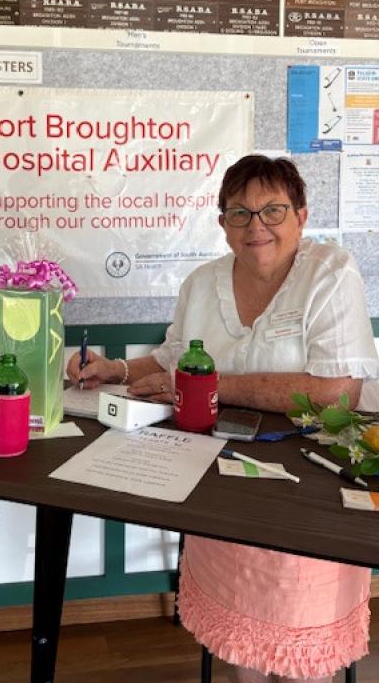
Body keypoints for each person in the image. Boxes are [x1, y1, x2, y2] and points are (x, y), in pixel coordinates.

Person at [67, 154, 379, 683]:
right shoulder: (201, 282)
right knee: (238, 640)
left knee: (301, 649)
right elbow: (172, 359)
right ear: (223, 223)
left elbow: (337, 394)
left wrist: (210, 386)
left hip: (309, 488)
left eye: (273, 210)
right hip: (217, 478)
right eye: (240, 213)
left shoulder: (330, 273)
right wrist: (113, 369)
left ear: (301, 216)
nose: (257, 226)